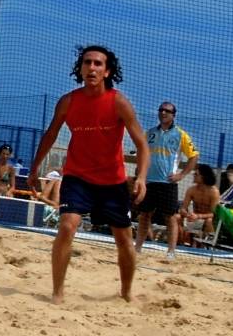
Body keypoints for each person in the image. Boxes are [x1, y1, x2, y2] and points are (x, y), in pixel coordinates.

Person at [28, 45, 151, 303]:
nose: (92, 68)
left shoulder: (119, 102)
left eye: (97, 64)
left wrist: (140, 177)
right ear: (80, 68)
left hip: (113, 181)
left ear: (107, 71)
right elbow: (50, 135)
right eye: (87, 63)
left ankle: (127, 292)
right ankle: (57, 293)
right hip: (77, 177)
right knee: (66, 226)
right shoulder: (68, 101)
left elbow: (141, 143)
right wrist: (34, 168)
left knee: (124, 240)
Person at [134, 101, 199, 260]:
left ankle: (171, 251)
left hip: (167, 182)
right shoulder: (149, 133)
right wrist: (139, 173)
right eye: (161, 110)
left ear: (173, 115)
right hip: (149, 181)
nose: (163, 113)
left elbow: (194, 156)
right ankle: (137, 248)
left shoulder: (180, 134)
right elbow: (141, 153)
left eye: (167, 111)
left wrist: (181, 175)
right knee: (144, 215)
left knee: (170, 217)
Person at [177, 164, 220, 247]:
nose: (194, 176)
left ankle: (208, 245)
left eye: (196, 174)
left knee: (209, 220)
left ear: (204, 177)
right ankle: (180, 243)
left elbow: (213, 213)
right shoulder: (191, 190)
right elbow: (183, 208)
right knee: (178, 217)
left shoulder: (214, 192)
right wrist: (187, 214)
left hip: (207, 221)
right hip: (194, 219)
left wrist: (198, 216)